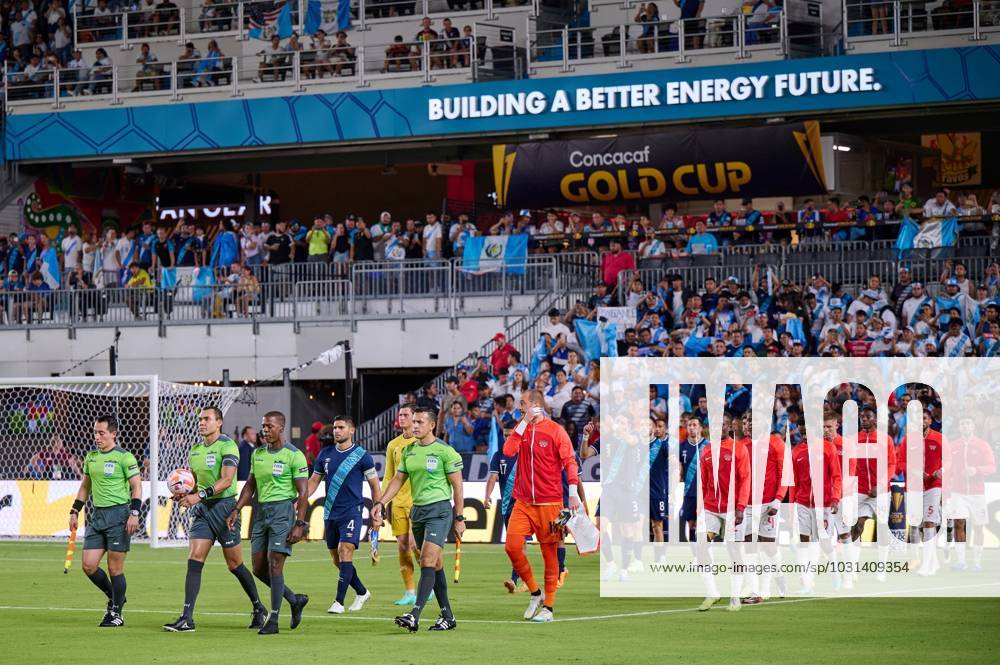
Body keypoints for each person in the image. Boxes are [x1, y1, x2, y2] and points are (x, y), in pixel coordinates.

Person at [162, 407, 267, 632]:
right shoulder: (196, 450)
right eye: (200, 419)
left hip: (225, 509)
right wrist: (186, 493)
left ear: (219, 422)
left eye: (207, 419)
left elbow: (227, 480)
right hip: (203, 510)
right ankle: (187, 617)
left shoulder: (228, 446)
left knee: (235, 564)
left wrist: (198, 495)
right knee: (195, 557)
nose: (201, 423)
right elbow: (196, 482)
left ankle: (259, 607)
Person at [376, 406, 465, 632]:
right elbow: (397, 480)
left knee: (426, 560)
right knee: (435, 565)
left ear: (432, 425)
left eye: (419, 422)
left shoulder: (446, 452)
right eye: (413, 422)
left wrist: (460, 517)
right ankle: (448, 615)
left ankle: (415, 614)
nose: (414, 426)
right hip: (418, 512)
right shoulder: (409, 452)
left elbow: (457, 487)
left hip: (439, 511)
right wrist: (380, 502)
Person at [227, 411, 310, 634]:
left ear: (281, 427)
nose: (265, 430)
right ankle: (295, 600)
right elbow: (250, 486)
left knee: (275, 565)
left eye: (270, 426)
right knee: (258, 569)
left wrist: (300, 523)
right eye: (263, 426)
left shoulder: (294, 455)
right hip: (261, 512)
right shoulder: (258, 454)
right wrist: (237, 508)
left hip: (283, 512)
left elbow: (303, 493)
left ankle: (273, 620)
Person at [502, 390, 580, 623]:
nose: (520, 407)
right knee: (512, 547)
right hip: (523, 502)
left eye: (523, 404)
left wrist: (573, 494)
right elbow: (508, 451)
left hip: (550, 503)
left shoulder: (556, 431)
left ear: (536, 405)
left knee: (550, 556)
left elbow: (570, 462)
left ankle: (548, 608)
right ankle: (535, 593)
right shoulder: (522, 428)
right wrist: (523, 423)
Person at [69, 415, 142, 627]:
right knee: (88, 565)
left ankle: (116, 613)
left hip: (119, 515)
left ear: (113, 434)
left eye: (101, 433)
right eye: (95, 433)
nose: (97, 437)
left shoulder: (125, 457)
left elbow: (136, 486)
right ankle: (115, 596)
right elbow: (85, 486)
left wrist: (134, 513)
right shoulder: (91, 457)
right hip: (97, 515)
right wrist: (74, 511)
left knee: (115, 568)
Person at [306, 417, 382, 614]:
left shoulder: (362, 456)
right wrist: (300, 498)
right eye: (335, 428)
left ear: (352, 430)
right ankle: (362, 591)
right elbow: (314, 481)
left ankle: (338, 602)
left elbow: (375, 485)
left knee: (344, 551)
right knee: (337, 559)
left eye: (341, 428)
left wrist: (378, 509)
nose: (337, 431)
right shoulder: (325, 454)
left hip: (352, 512)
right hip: (330, 512)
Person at [789, 413, 843, 596]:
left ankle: (835, 571)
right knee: (805, 541)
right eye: (802, 430)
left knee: (823, 542)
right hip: (803, 502)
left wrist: (835, 498)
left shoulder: (828, 448)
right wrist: (791, 504)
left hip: (824, 503)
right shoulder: (796, 451)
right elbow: (793, 481)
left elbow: (836, 475)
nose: (805, 433)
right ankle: (807, 582)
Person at [381, 404, 420, 605]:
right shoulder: (393, 445)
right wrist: (381, 502)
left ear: (414, 418)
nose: (401, 418)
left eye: (406, 414)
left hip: (416, 502)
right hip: (397, 503)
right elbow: (389, 476)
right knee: (403, 546)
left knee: (416, 545)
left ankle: (428, 584)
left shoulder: (420, 442)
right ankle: (410, 591)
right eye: (400, 414)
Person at [945, 415, 996, 571]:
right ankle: (961, 561)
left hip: (976, 494)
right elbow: (947, 470)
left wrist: (976, 470)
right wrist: (946, 490)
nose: (965, 426)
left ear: (973, 426)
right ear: (959, 427)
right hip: (957, 493)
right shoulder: (953, 446)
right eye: (962, 423)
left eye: (967, 423)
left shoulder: (982, 445)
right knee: (959, 525)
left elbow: (992, 467)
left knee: (979, 527)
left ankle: (977, 562)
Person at [897, 409, 943, 576]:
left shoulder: (939, 438)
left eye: (924, 418)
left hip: (933, 485)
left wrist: (942, 471)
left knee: (929, 523)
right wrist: (914, 471)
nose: (920, 421)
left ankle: (926, 565)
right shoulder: (908, 440)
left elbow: (950, 460)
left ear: (930, 420)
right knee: (918, 524)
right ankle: (934, 561)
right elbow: (899, 462)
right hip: (914, 487)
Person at [485, 422, 522, 592]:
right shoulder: (499, 455)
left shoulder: (524, 454)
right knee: (515, 544)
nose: (507, 438)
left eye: (510, 435)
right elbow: (492, 478)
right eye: (505, 435)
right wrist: (487, 496)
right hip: (508, 506)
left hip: (525, 504)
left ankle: (516, 578)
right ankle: (522, 577)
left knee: (518, 543)